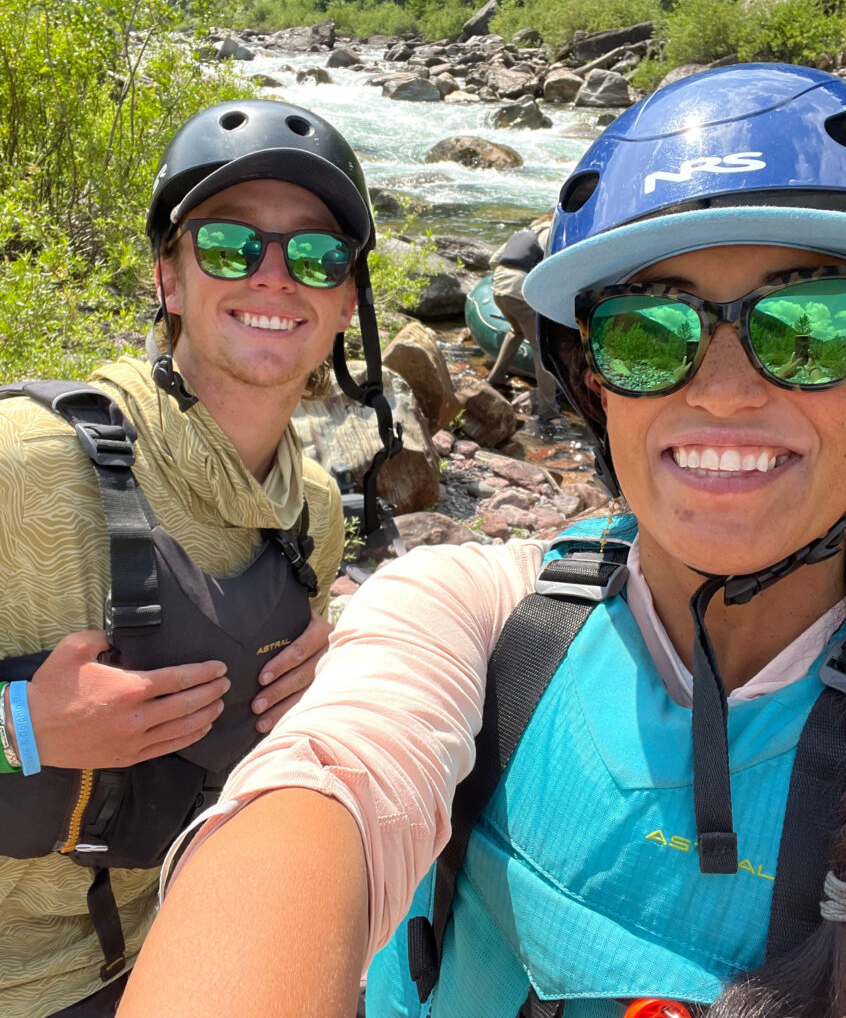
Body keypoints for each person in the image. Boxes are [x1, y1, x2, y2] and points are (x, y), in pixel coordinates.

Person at [119, 62, 846, 1018]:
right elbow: (327, 783)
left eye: (810, 328)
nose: (722, 391)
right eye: (648, 335)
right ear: (590, 382)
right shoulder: (481, 608)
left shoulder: (312, 508)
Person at [0, 97, 388, 1017]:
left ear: (345, 301)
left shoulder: (316, 513)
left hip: (179, 948)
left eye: (318, 256)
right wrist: (22, 725)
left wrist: (335, 675)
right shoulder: (23, 466)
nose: (274, 278)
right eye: (229, 245)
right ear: (170, 279)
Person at [485, 213, 559, 421]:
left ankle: (495, 378)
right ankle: (548, 410)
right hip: (518, 290)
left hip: (498, 288)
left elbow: (493, 260)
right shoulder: (549, 234)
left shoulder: (524, 232)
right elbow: (548, 268)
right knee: (541, 347)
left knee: (515, 332)